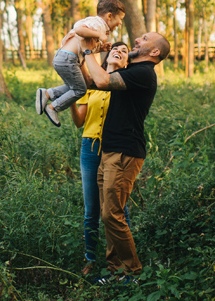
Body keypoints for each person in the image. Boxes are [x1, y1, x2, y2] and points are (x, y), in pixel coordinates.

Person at [81, 31, 170, 278]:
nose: (137, 39)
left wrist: (89, 51)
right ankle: (114, 269)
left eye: (144, 38)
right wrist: (82, 55)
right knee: (109, 214)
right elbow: (92, 81)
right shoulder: (130, 72)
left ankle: (132, 272)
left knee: (112, 213)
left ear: (154, 52)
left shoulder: (143, 73)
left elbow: (101, 81)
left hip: (124, 152)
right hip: (110, 151)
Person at [71, 41, 130, 275]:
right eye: (115, 48)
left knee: (117, 209)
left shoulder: (125, 84)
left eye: (125, 51)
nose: (118, 51)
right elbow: (79, 122)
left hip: (114, 149)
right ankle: (90, 259)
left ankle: (120, 260)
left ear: (127, 63)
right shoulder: (93, 84)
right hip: (90, 147)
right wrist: (71, 102)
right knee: (91, 209)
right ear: (106, 56)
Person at [34, 0, 126, 127]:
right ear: (110, 16)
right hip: (69, 59)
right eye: (120, 19)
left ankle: (48, 93)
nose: (120, 23)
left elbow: (84, 46)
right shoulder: (99, 24)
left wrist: (99, 49)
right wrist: (99, 35)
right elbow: (79, 30)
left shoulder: (96, 23)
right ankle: (53, 108)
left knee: (76, 86)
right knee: (80, 90)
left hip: (64, 57)